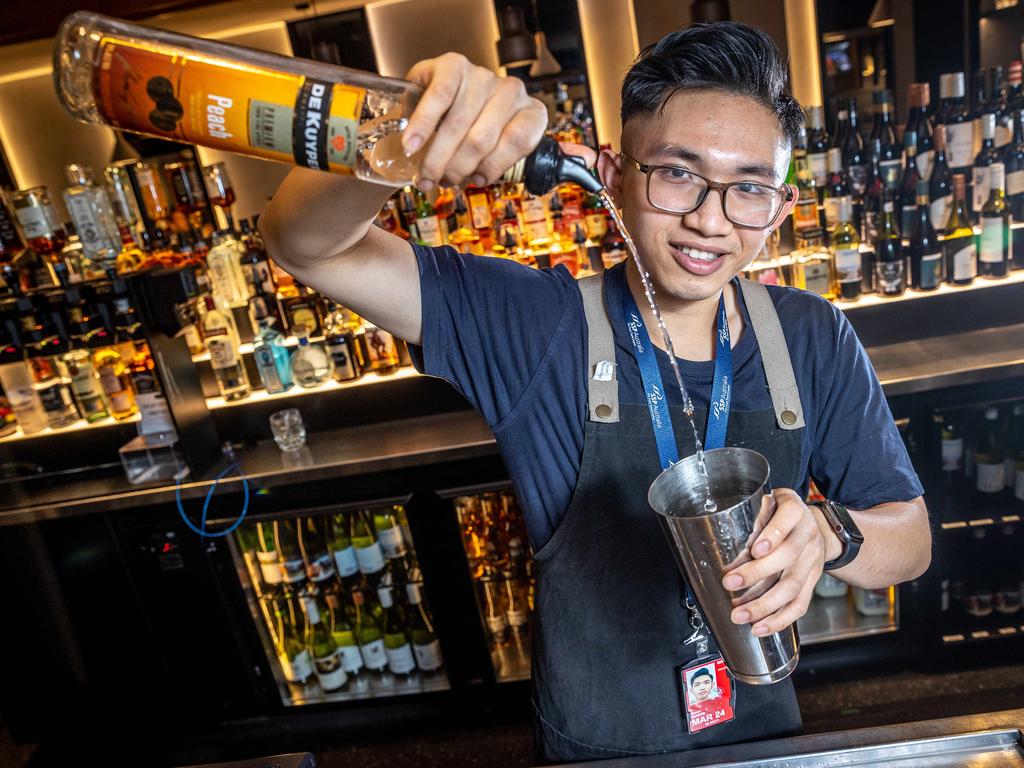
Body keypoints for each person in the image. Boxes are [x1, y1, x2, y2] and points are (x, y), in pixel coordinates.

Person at [260, 22, 931, 763]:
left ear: (777, 207)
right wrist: (399, 127)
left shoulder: (813, 335)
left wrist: (829, 532)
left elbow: (911, 538)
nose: (710, 219)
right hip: (600, 747)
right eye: (677, 173)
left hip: (762, 736)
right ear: (614, 174)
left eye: (748, 188)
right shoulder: (537, 325)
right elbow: (302, 242)